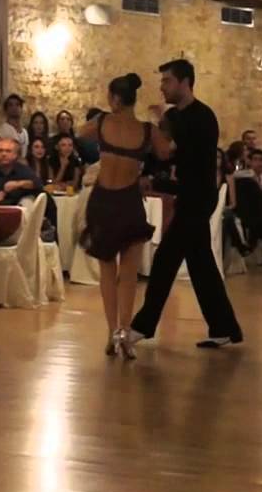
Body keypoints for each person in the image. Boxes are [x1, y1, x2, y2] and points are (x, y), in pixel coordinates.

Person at [126, 59, 243, 350]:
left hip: (198, 197)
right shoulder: (173, 117)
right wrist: (149, 173)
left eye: (167, 81)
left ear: (184, 82)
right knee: (201, 264)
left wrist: (162, 132)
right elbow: (160, 154)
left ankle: (142, 327)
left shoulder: (204, 117)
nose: (162, 87)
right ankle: (224, 328)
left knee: (165, 260)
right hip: (186, 195)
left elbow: (186, 156)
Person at [77, 73, 171, 359]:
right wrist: (162, 120)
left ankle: (111, 332)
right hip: (129, 201)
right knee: (128, 274)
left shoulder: (102, 122)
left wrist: (103, 118)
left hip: (103, 200)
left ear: (116, 98)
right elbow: (166, 152)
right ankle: (125, 333)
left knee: (107, 270)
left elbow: (80, 133)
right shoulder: (146, 130)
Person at [0, 94, 29, 158]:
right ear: (6, 110)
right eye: (10, 105)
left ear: (21, 109)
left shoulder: (25, 132)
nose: (14, 107)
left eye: (17, 105)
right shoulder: (2, 131)